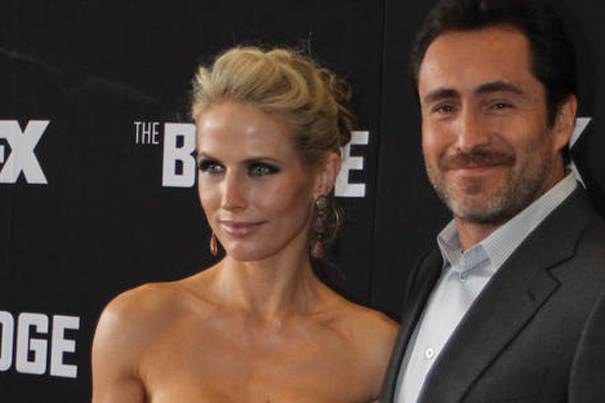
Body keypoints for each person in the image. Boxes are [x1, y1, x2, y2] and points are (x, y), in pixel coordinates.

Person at [379, 0, 605, 402]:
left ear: (562, 121)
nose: (467, 138)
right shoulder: (432, 271)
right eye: (444, 107)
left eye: (499, 104)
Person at [92, 46, 397, 403]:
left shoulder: (374, 351)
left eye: (260, 169)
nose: (230, 198)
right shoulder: (137, 324)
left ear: (323, 176)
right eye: (212, 167)